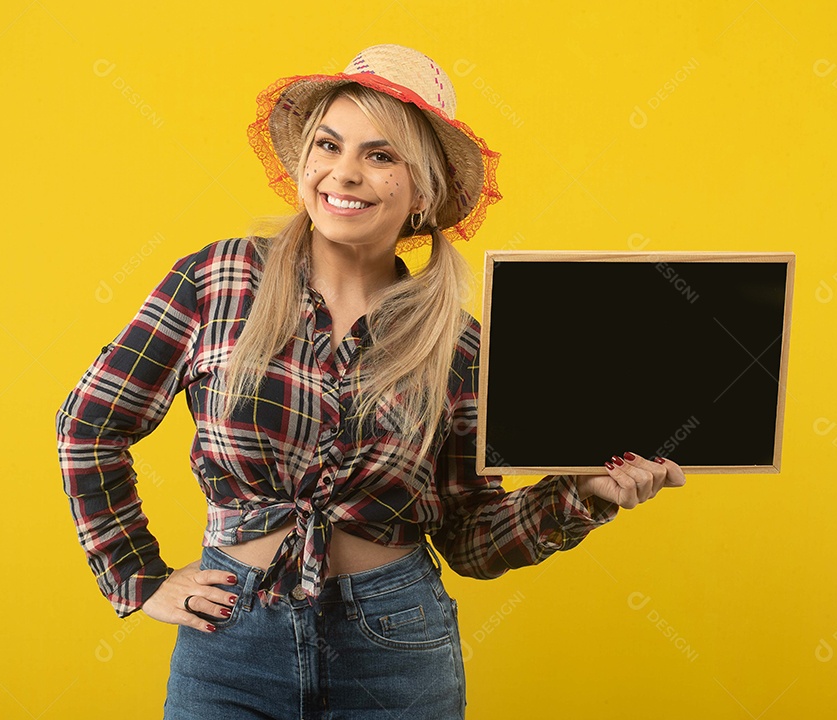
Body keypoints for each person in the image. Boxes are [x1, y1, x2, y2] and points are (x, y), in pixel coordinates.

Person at [55, 43, 685, 719]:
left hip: (396, 649)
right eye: (329, 145)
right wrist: (136, 576)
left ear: (423, 190)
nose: (344, 173)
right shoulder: (220, 279)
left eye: (380, 156)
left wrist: (582, 494)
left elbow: (471, 537)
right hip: (230, 643)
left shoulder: (458, 343)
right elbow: (89, 425)